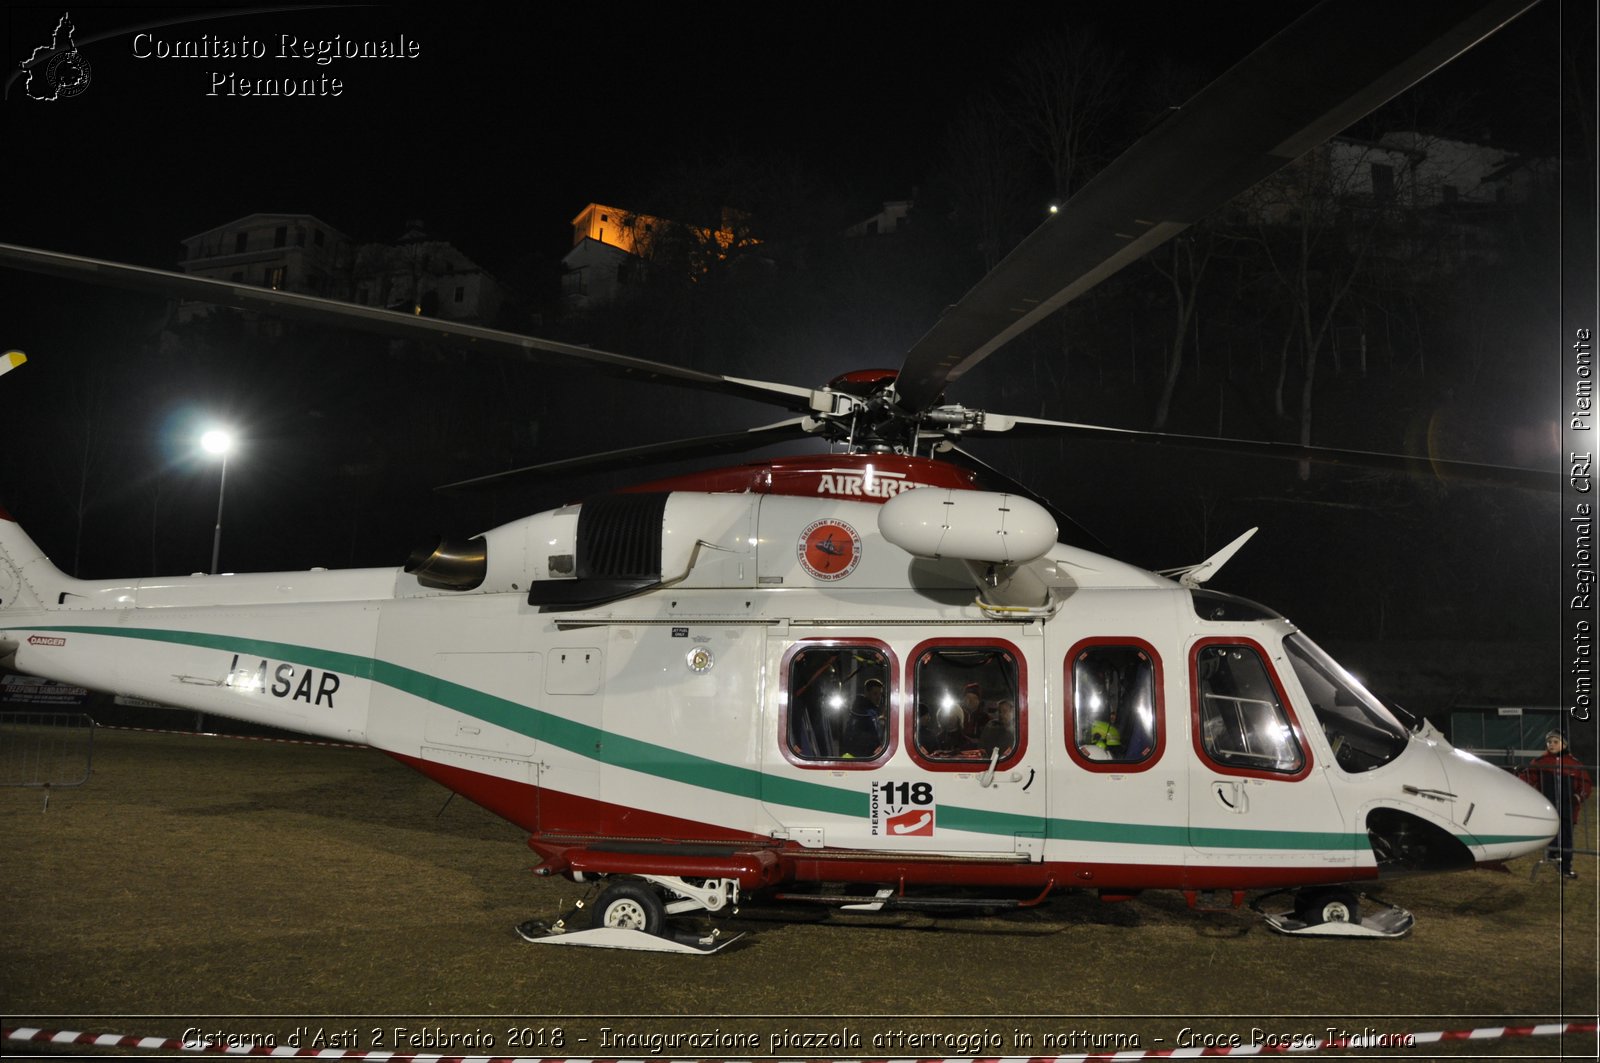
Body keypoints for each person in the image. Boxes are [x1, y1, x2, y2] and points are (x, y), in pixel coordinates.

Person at [1518, 731, 1593, 880]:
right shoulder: (1539, 762)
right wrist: (1518, 774)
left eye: (1555, 742)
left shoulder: (1574, 764)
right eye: (1549, 742)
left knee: (1566, 838)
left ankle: (1565, 868)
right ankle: (1551, 855)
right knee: (1550, 832)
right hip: (1547, 810)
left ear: (1564, 744)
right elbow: (1526, 780)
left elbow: (1586, 785)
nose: (1551, 745)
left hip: (1568, 810)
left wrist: (1577, 797)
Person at [841, 677, 885, 759]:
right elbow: (862, 738)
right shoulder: (861, 712)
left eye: (880, 694)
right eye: (875, 693)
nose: (878, 697)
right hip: (859, 759)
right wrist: (876, 748)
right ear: (867, 693)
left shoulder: (870, 711)